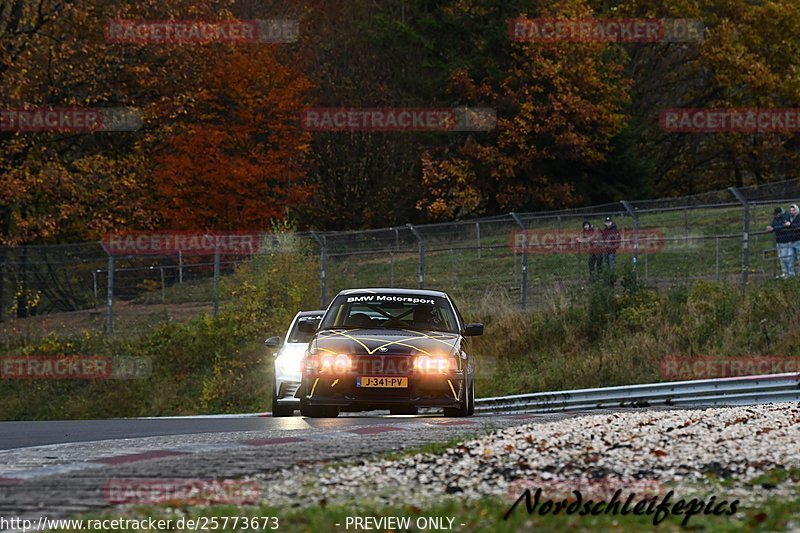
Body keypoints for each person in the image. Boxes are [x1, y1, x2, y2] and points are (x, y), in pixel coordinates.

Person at [767, 207, 791, 278]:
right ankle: (784, 273)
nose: (775, 216)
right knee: (781, 257)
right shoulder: (775, 218)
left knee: (785, 257)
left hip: (785, 240)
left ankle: (789, 273)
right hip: (779, 240)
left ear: (780, 213)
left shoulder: (785, 216)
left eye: (776, 214)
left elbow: (784, 226)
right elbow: (773, 224)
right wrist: (769, 227)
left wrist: (774, 228)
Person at [784, 204, 800, 278]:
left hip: (798, 241)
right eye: (790, 210)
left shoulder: (798, 217)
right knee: (789, 259)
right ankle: (791, 275)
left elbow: (797, 225)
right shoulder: (789, 218)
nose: (792, 212)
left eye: (793, 210)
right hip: (790, 241)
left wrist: (790, 225)